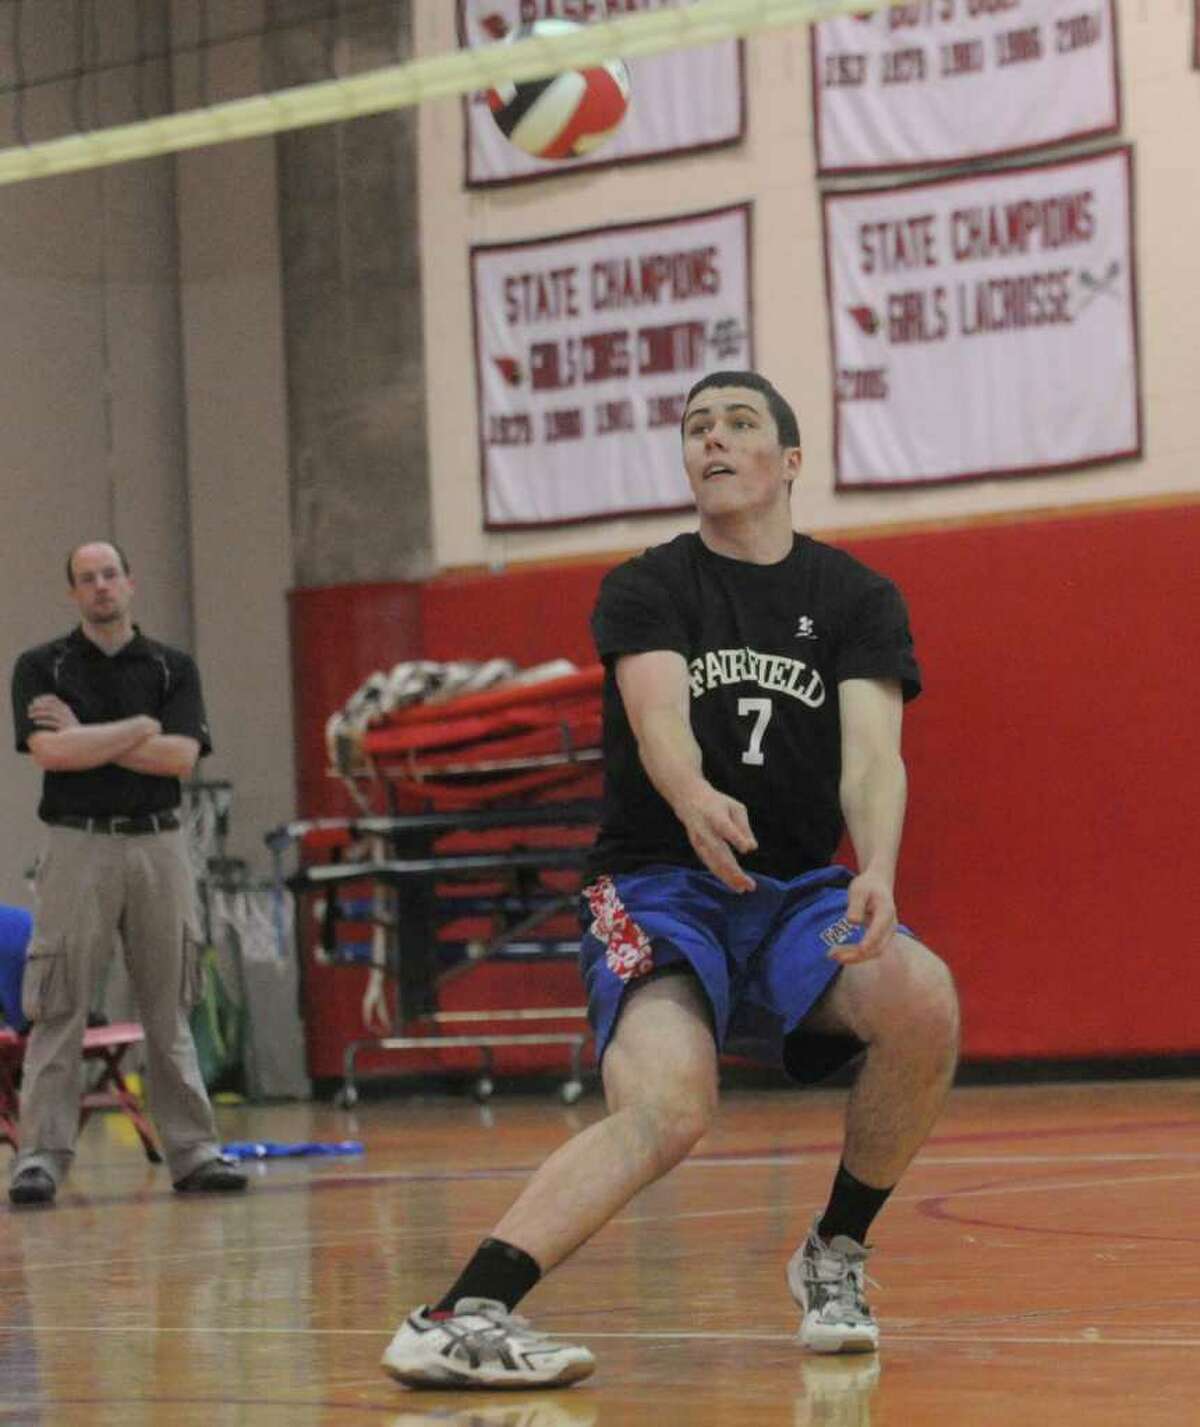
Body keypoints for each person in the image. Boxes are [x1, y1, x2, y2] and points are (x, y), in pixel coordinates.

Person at [380, 371, 959, 1388]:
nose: (713, 440)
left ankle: (834, 1253)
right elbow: (658, 722)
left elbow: (873, 757)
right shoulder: (649, 584)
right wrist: (692, 796)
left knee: (923, 997)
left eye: (739, 424)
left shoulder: (856, 597)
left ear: (790, 460)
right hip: (659, 887)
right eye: (697, 427)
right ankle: (457, 1313)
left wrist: (877, 866)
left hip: (793, 896)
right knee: (670, 1105)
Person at [7, 541, 247, 1207]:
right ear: (73, 593)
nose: (101, 587)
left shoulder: (173, 667)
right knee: (59, 1003)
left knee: (169, 1006)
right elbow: (52, 753)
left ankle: (194, 1153)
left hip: (159, 846)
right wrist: (141, 728)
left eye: (110, 574)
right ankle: (39, 1158)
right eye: (86, 579)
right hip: (75, 845)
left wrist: (90, 733)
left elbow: (180, 760)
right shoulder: (41, 666)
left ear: (130, 583)